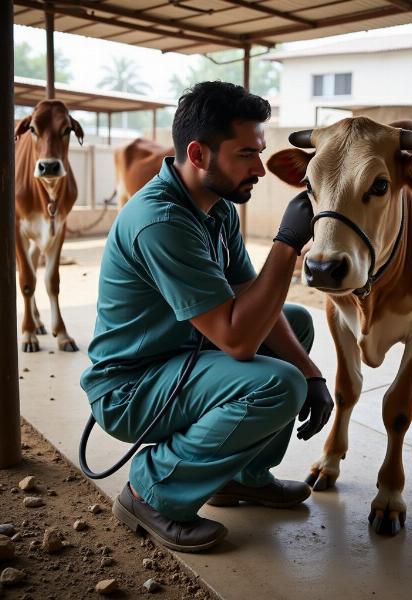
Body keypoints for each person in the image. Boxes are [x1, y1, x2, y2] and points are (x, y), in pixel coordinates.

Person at [80, 81, 333, 553]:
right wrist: (287, 245)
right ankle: (150, 491)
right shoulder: (162, 221)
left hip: (180, 357)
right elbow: (237, 340)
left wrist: (313, 371)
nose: (261, 168)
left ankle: (242, 476)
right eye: (245, 155)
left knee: (293, 325)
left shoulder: (214, 209)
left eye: (260, 151)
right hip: (132, 387)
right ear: (198, 154)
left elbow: (249, 296)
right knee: (278, 383)